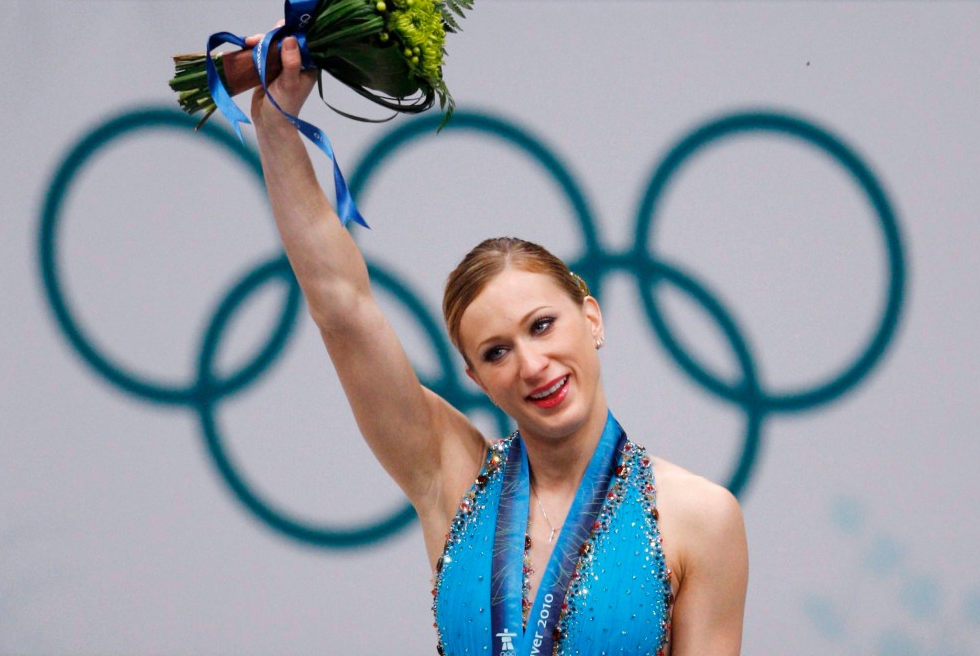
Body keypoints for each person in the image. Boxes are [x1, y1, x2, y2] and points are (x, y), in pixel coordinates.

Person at [248, 33, 748, 655]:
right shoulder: (450, 476)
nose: (532, 365)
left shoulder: (699, 516)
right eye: (496, 352)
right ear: (477, 379)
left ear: (591, 317)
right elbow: (342, 311)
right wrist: (275, 126)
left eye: (542, 325)